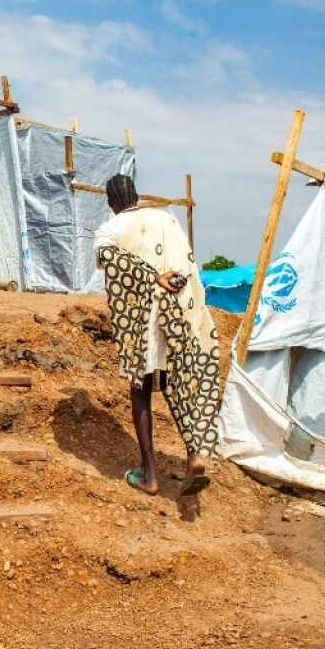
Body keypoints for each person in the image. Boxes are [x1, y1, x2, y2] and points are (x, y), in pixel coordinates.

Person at [94, 174, 221, 497]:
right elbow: (187, 265)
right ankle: (194, 453)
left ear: (111, 204)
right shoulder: (165, 218)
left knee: (141, 391)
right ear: (136, 196)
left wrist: (150, 278)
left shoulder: (110, 229)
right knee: (177, 385)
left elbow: (107, 259)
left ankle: (149, 476)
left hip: (144, 325)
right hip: (180, 316)